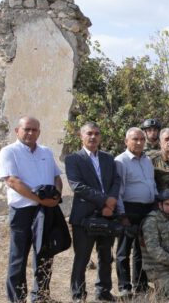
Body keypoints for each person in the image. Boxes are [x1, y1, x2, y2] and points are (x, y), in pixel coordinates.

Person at [0, 117, 63, 303]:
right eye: (27, 129)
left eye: (34, 130)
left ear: (39, 132)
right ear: (17, 130)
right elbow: (12, 181)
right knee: (18, 257)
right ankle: (17, 299)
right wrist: (41, 200)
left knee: (45, 254)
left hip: (46, 211)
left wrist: (56, 195)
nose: (30, 133)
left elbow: (57, 176)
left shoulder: (46, 152)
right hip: (23, 211)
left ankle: (41, 296)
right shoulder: (8, 152)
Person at [66, 122, 121, 302]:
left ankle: (103, 291)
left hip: (107, 214)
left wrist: (111, 203)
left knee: (106, 256)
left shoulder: (108, 158)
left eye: (96, 133)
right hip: (84, 217)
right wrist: (106, 200)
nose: (93, 137)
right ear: (81, 136)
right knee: (82, 258)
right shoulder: (74, 159)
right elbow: (78, 186)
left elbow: (116, 180)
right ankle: (78, 295)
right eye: (89, 133)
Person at [115, 127, 158, 297]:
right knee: (123, 250)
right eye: (135, 139)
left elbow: (152, 183)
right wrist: (122, 215)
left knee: (141, 249)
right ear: (126, 141)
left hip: (147, 209)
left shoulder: (147, 160)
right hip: (129, 209)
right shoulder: (121, 161)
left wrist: (155, 202)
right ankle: (125, 287)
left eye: (142, 139)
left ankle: (141, 284)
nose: (139, 142)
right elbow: (117, 190)